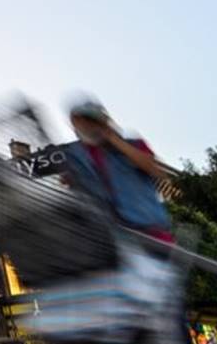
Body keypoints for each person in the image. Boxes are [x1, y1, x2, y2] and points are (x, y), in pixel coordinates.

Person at [61, 99, 171, 240]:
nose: (87, 124)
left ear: (104, 122)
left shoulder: (133, 144)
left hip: (149, 233)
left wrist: (114, 140)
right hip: (104, 237)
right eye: (79, 119)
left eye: (92, 119)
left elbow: (155, 170)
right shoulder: (74, 154)